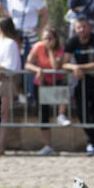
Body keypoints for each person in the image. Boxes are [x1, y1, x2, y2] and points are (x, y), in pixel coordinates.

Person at [0, 0, 49, 104]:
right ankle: (17, 93)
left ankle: (30, 93)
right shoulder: (10, 0)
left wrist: (40, 28)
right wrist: (1, 7)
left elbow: (44, 13)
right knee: (16, 64)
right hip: (15, 36)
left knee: (30, 64)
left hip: (29, 35)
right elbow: (7, 17)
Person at [62, 16, 94, 155]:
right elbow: (64, 63)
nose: (81, 30)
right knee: (82, 112)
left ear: (90, 27)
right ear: (75, 29)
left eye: (84, 27)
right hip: (81, 81)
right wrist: (74, 68)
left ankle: (92, 142)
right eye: (78, 27)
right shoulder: (72, 41)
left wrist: (77, 67)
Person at [24, 26, 69, 155]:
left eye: (50, 39)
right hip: (41, 83)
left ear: (56, 39)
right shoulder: (37, 47)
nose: (46, 41)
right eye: (44, 39)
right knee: (43, 115)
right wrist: (38, 70)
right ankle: (47, 145)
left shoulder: (60, 49)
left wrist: (49, 51)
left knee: (61, 97)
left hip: (57, 82)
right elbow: (27, 64)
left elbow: (56, 66)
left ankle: (61, 114)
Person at [0, 17, 22, 155]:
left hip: (5, 80)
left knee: (3, 113)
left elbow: (11, 66)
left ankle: (1, 145)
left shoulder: (11, 43)